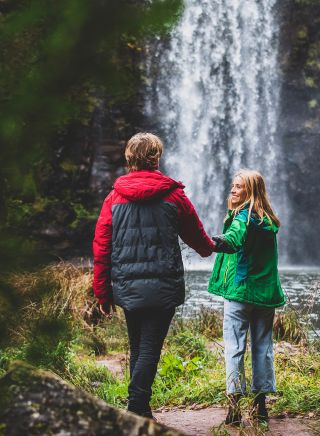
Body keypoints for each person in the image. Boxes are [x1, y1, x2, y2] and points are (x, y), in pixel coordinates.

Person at [93, 132, 215, 418]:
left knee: (138, 345)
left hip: (127, 286)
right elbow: (196, 235)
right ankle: (136, 407)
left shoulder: (113, 198)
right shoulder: (174, 195)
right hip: (163, 285)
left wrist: (103, 292)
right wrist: (210, 248)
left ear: (129, 158)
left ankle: (140, 408)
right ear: (156, 157)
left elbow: (101, 248)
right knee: (148, 347)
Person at [208, 169, 285, 426]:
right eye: (232, 185)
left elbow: (234, 238)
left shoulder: (243, 217)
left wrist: (211, 242)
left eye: (238, 186)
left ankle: (234, 408)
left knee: (234, 348)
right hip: (264, 295)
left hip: (240, 292)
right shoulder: (269, 221)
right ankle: (261, 407)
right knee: (263, 348)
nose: (232, 190)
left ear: (250, 191)